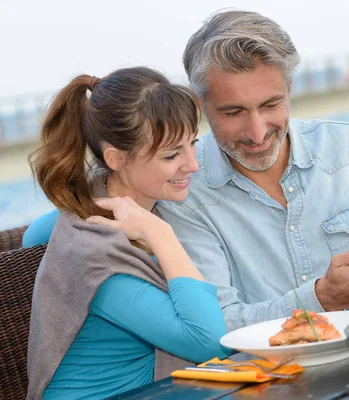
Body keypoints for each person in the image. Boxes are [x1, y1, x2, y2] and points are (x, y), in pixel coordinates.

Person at [155, 9, 349, 332]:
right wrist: (321, 298)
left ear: (290, 87)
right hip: (267, 376)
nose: (257, 132)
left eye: (270, 105)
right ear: (200, 104)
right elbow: (216, 325)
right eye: (234, 112)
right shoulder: (182, 193)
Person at [26, 67, 229, 400]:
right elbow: (208, 342)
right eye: (171, 154)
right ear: (116, 158)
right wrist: (160, 235)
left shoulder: (100, 205)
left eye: (192, 144)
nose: (193, 164)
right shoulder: (101, 260)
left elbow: (33, 237)